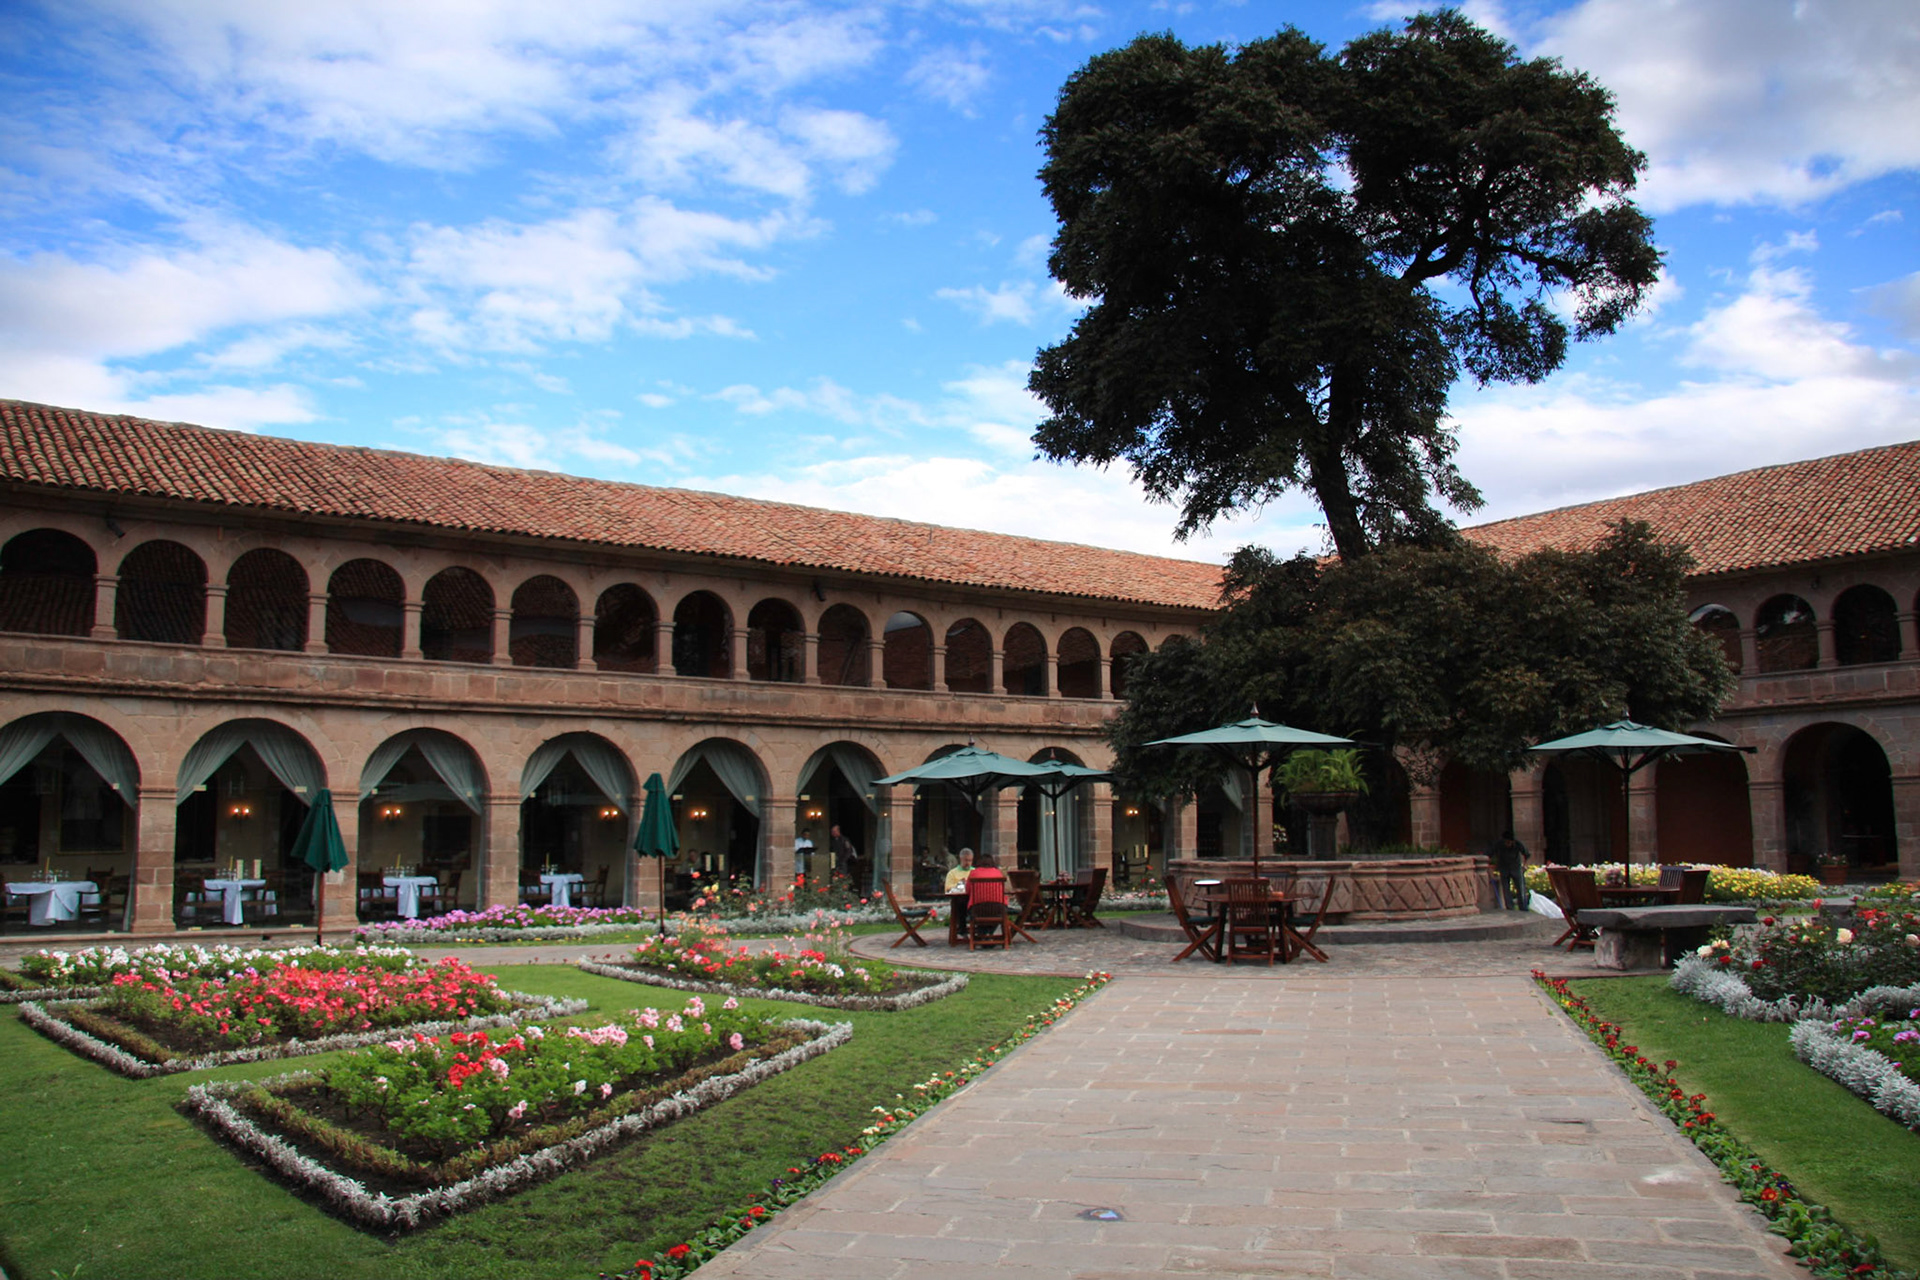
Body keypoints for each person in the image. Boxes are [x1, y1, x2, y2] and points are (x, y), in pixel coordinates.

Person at [1488, 830, 1529, 910]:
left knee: (1520, 889)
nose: (1508, 844)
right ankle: (1510, 908)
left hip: (1516, 868)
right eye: (1506, 842)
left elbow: (1526, 855)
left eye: (1509, 842)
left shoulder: (1518, 844)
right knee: (1506, 889)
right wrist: (1491, 868)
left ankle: (1523, 908)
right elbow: (1489, 854)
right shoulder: (1498, 844)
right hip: (1504, 868)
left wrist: (1524, 866)